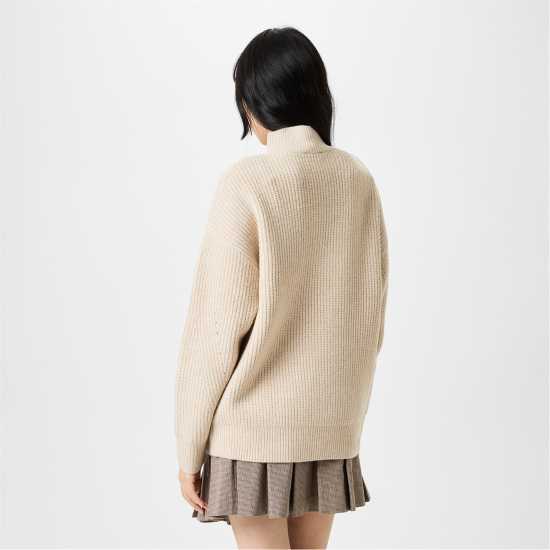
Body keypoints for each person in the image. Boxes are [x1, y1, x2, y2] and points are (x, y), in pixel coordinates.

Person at [175, 26, 389, 549]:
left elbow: (215, 332)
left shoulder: (247, 184)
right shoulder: (358, 180)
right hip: (330, 429)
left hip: (253, 431)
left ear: (253, 103)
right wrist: (343, 417)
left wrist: (188, 450)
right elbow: (371, 317)